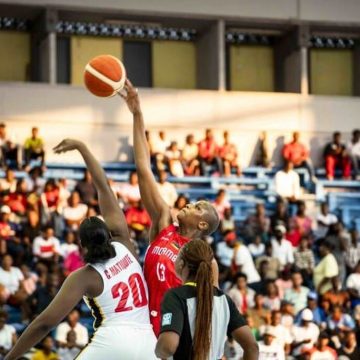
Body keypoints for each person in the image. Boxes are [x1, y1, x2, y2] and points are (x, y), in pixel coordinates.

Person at [4, 139, 157, 360]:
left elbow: (45, 323)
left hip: (113, 341)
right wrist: (83, 148)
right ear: (108, 233)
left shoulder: (85, 276)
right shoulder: (124, 243)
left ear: (82, 246)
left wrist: (10, 357)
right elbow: (103, 185)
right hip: (148, 341)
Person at [120, 79, 221, 336]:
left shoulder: (205, 262)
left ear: (202, 225)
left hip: (177, 337)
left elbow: (213, 312)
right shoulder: (165, 223)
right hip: (142, 330)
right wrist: (137, 114)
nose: (188, 204)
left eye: (197, 207)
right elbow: (144, 168)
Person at [155, 240, 258, 360]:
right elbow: (252, 347)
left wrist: (157, 351)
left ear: (181, 264)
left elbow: (167, 347)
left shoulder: (176, 296)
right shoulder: (224, 299)